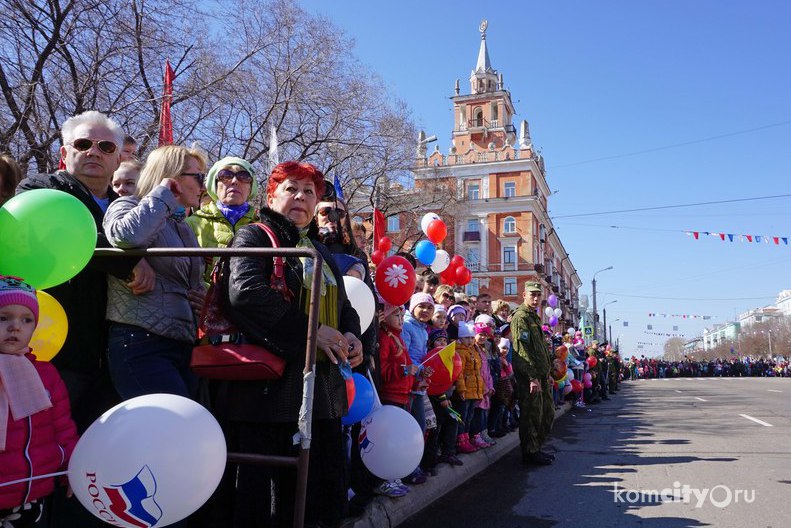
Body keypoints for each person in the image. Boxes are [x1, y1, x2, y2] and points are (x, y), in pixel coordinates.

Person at [215, 161, 363, 527]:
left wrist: (352, 335)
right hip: (269, 394)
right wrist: (311, 333)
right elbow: (246, 293)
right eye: (291, 189)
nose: (300, 197)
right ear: (271, 195)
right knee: (266, 498)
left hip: (323, 393)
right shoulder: (254, 236)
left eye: (309, 192)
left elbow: (344, 305)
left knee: (320, 490)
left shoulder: (319, 249)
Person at [103, 145, 207, 400]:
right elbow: (125, 236)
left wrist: (203, 299)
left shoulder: (183, 228)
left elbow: (189, 282)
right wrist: (164, 193)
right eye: (199, 177)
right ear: (172, 176)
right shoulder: (126, 204)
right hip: (141, 341)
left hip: (182, 343)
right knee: (168, 427)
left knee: (184, 426)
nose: (203, 186)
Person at [0, 276, 79, 528]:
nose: (15, 327)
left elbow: (62, 428)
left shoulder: (45, 374)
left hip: (29, 496)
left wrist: (72, 466)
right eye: (3, 318)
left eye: (26, 320)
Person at [186, 156, 259, 286]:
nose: (235, 181)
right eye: (226, 175)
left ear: (250, 188)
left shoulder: (262, 227)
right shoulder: (191, 224)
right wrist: (204, 295)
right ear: (215, 185)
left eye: (243, 176)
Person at [510, 281, 555, 466]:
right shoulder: (521, 317)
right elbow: (521, 351)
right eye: (532, 295)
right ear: (524, 295)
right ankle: (529, 452)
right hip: (531, 377)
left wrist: (548, 373)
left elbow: (541, 349)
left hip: (542, 375)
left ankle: (536, 447)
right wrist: (532, 377)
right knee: (531, 415)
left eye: (538, 295)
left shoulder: (535, 318)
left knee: (547, 413)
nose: (536, 298)